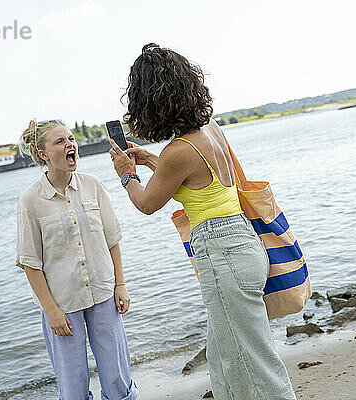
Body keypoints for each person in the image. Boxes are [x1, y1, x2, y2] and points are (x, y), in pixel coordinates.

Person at [108, 44, 297, 399]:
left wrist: (125, 175)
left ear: (151, 101)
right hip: (242, 241)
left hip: (222, 252)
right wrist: (152, 161)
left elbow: (147, 203)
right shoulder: (210, 128)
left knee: (252, 362)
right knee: (224, 358)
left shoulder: (177, 152)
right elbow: (198, 179)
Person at [16, 119, 139, 400]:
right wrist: (51, 311)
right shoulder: (31, 201)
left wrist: (121, 284)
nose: (70, 145)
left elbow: (112, 239)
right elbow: (30, 263)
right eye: (60, 142)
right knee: (72, 385)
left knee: (118, 377)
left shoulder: (93, 186)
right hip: (62, 305)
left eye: (71, 139)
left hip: (104, 295)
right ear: (43, 154)